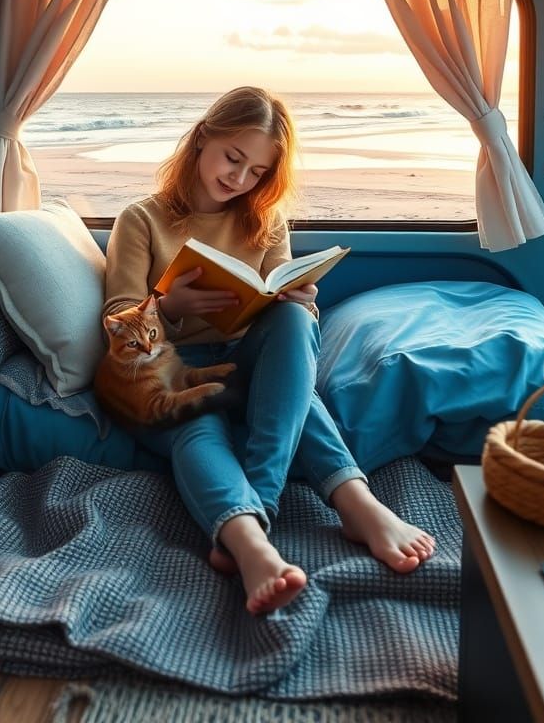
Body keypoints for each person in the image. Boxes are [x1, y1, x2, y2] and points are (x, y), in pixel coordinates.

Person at [103, 86, 435, 614]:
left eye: (256, 171)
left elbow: (283, 308)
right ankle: (252, 542)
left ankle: (322, 501)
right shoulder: (141, 219)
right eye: (233, 158)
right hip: (168, 371)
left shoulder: (264, 220)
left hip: (245, 358)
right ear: (201, 139)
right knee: (198, 427)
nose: (239, 179)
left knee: (290, 320)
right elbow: (118, 319)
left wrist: (302, 300)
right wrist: (166, 305)